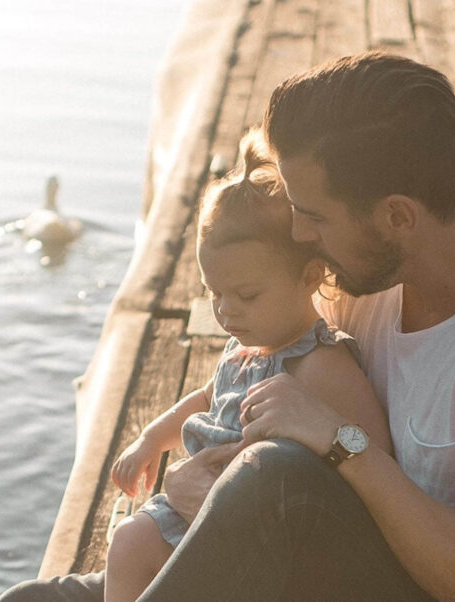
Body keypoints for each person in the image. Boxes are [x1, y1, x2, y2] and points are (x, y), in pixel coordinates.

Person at [0, 51, 455, 602]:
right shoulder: (368, 272)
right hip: (298, 552)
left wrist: (339, 441)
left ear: (397, 216)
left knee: (273, 479)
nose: (300, 237)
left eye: (314, 216)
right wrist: (202, 486)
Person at [103, 129, 393, 602]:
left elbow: (374, 457)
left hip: (252, 528)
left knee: (134, 545)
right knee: (129, 543)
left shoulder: (319, 363)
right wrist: (151, 440)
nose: (226, 311)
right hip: (198, 507)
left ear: (310, 276)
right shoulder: (243, 351)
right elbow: (204, 399)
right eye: (214, 293)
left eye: (246, 295)